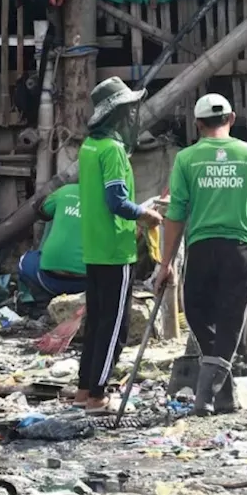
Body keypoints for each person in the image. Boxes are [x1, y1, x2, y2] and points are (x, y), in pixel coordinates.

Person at [155, 94, 247, 415]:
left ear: (198, 125)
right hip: (240, 248)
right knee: (230, 319)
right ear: (232, 119)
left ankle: (207, 395)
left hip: (202, 248)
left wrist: (165, 264)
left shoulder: (187, 159)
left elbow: (176, 213)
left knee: (197, 313)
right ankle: (218, 394)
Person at [75, 77, 164, 413]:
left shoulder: (88, 147)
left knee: (97, 321)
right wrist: (146, 214)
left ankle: (84, 389)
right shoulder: (112, 151)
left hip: (94, 247)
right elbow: (116, 201)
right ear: (117, 115)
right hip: (115, 248)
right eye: (127, 112)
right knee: (115, 326)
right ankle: (98, 396)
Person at [18, 184, 87, 298]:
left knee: (24, 262)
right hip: (87, 283)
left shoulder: (67, 191)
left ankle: (38, 304)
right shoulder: (114, 202)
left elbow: (41, 209)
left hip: (50, 278)